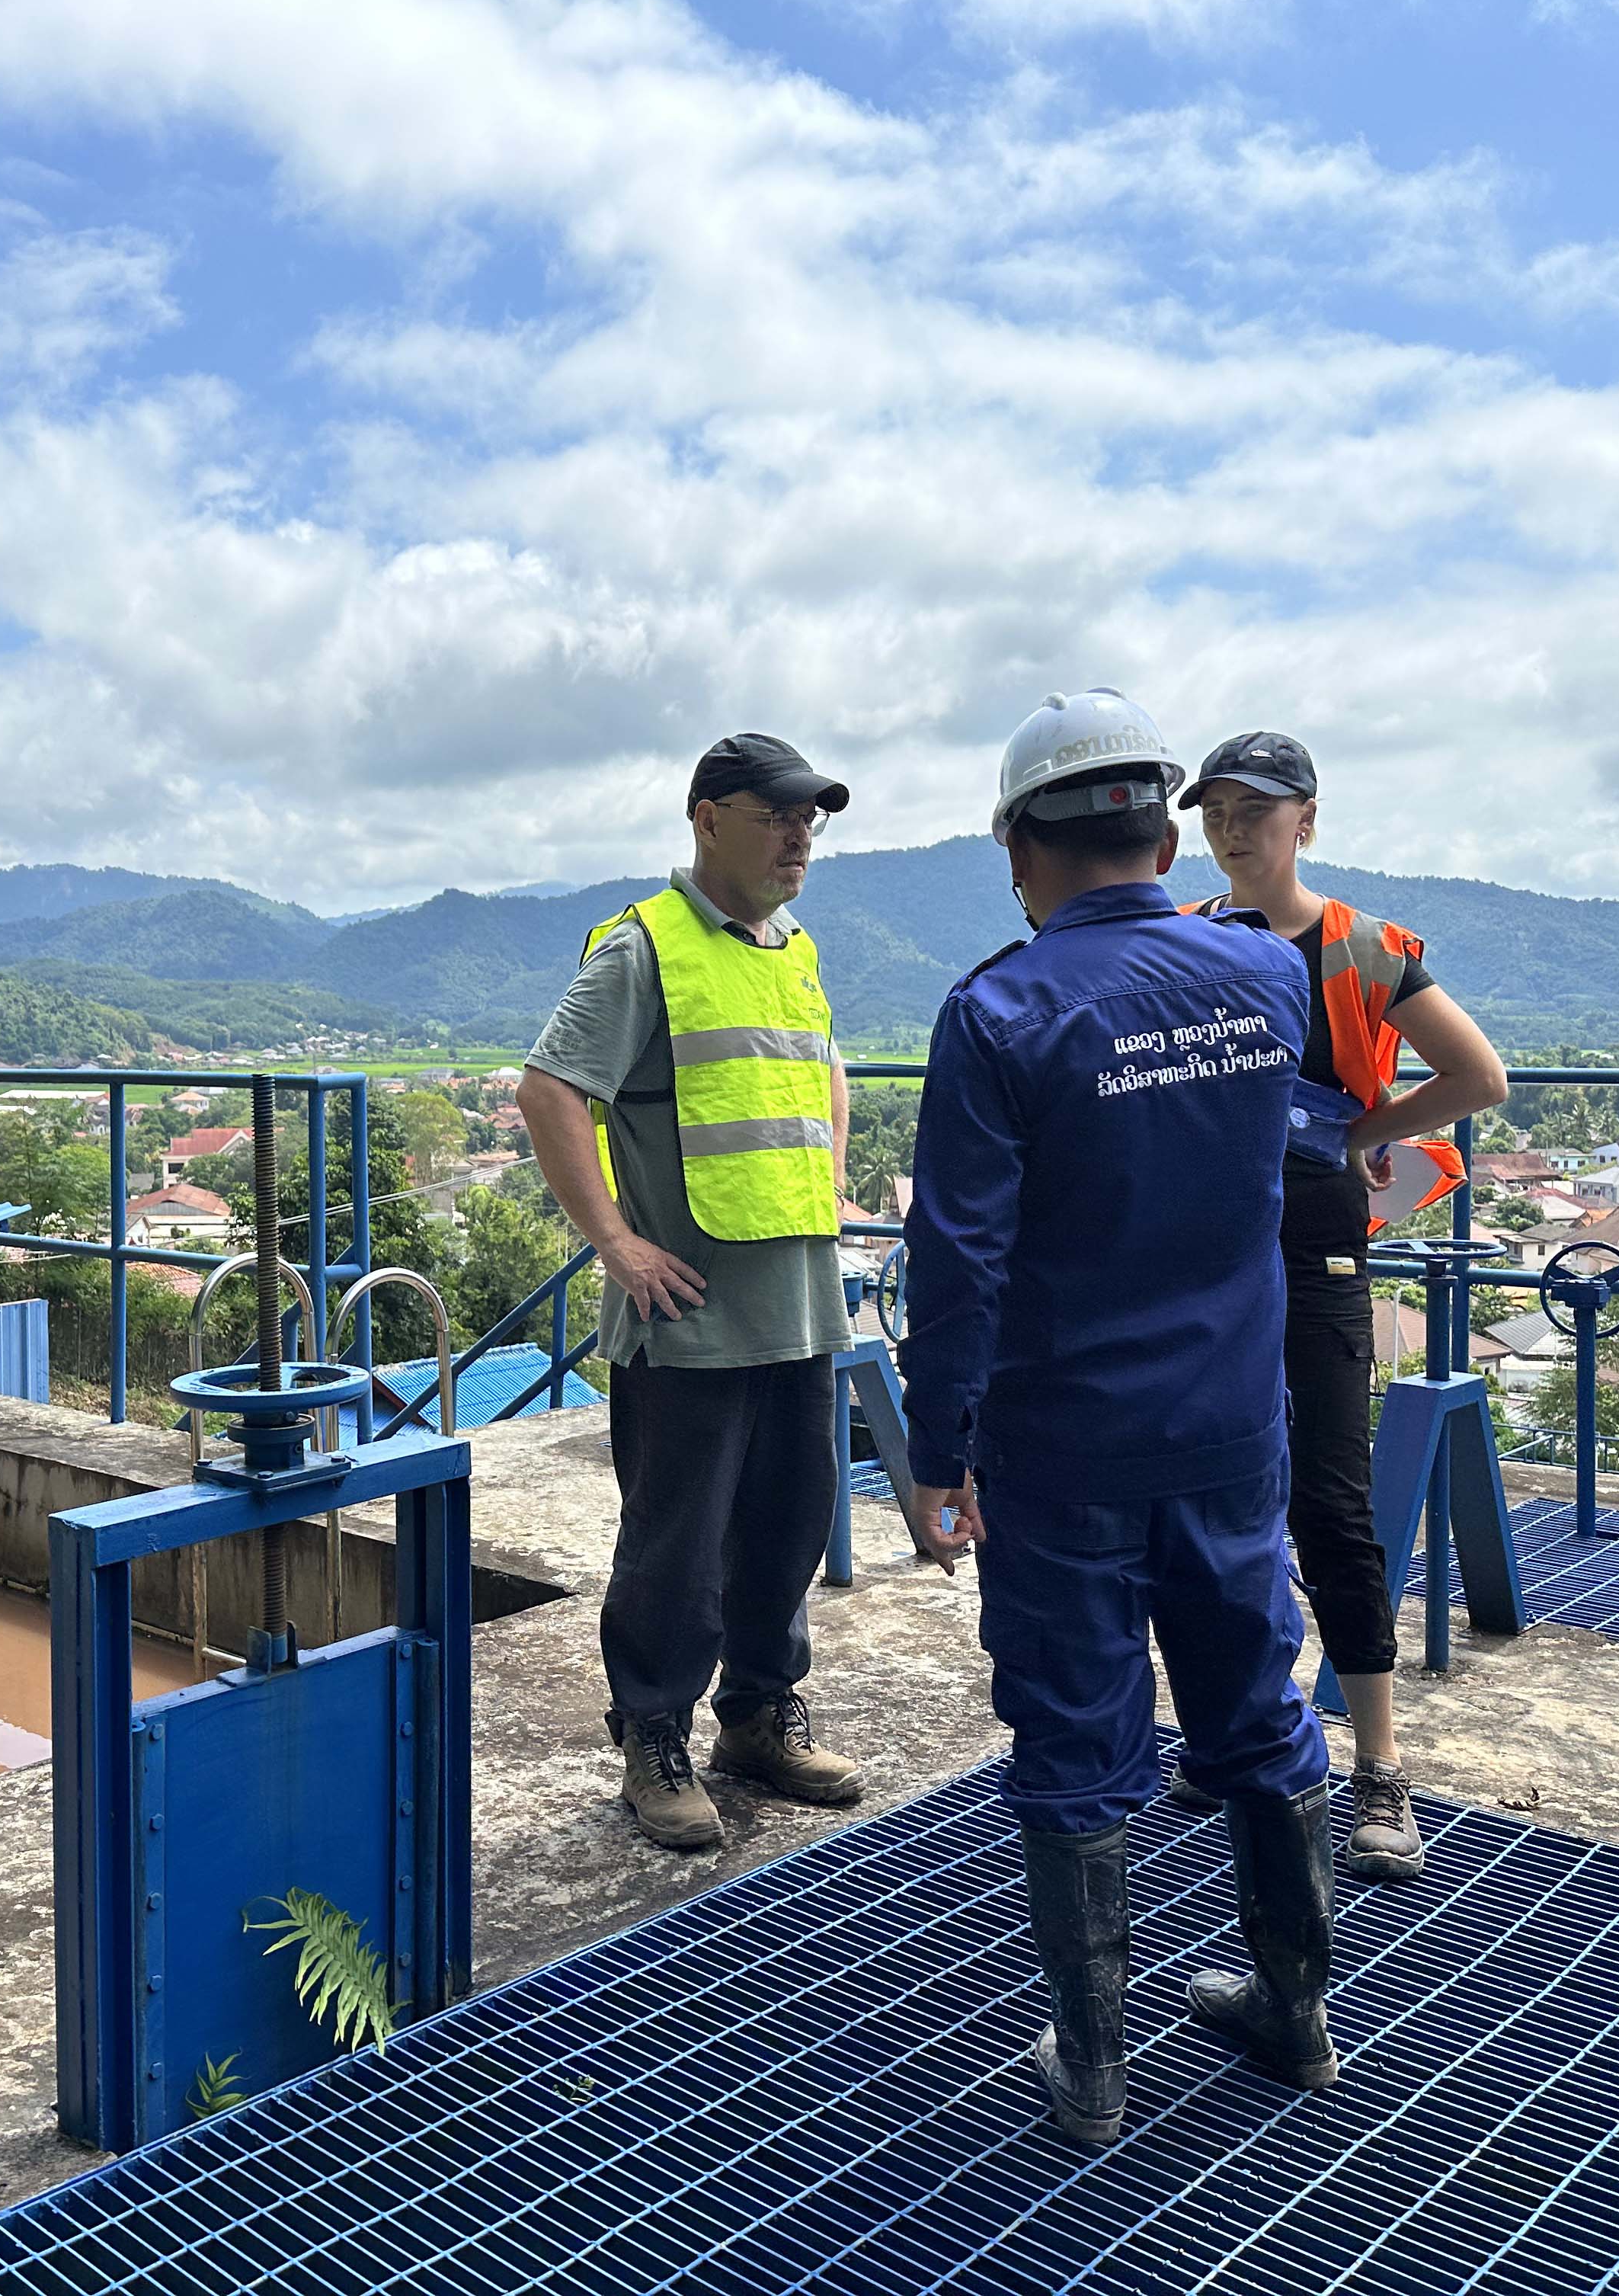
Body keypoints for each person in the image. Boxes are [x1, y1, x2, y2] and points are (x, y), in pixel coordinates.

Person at [898, 687, 1338, 2148]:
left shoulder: (1000, 1011)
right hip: (1231, 1433)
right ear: (1161, 827)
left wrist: (939, 1448)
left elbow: (957, 1260)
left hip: (1065, 1453)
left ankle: (1093, 2065)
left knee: (1076, 1734)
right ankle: (1297, 2009)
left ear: (1023, 847)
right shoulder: (1265, 978)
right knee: (1258, 1705)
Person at [1169, 732, 1509, 1884]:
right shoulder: (1187, 943)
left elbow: (1478, 1075)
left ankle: (1378, 1766)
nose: (1232, 830)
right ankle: (1233, 1730)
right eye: (1216, 811)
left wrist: (1361, 1134)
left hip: (1316, 1255)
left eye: (1254, 811)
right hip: (1207, 1254)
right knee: (1213, 1499)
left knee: (1331, 1503)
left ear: (1305, 821)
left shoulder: (1366, 949)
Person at [515, 732, 863, 1853]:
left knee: (787, 1524)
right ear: (707, 817)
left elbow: (823, 1075)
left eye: (810, 816)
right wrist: (615, 1242)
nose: (799, 833)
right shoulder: (643, 949)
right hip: (691, 1314)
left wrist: (833, 1189)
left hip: (801, 1302)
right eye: (776, 814)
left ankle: (758, 1715)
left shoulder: (793, 945)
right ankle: (653, 1733)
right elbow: (550, 1090)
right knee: (676, 1542)